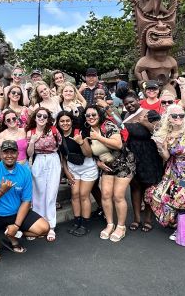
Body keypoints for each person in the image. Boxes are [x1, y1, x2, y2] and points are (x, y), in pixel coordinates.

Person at [0, 140, 50, 263]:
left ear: (18, 154)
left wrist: (16, 226)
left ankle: (11, 234)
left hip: (15, 212)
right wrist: (1, 191)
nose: (9, 155)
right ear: (1, 154)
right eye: (5, 152)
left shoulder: (25, 172)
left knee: (44, 228)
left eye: (12, 152)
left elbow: (26, 201)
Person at [145, 105, 185, 248]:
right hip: (174, 172)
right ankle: (182, 228)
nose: (179, 118)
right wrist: (161, 147)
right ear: (169, 118)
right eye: (175, 116)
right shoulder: (167, 134)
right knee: (170, 199)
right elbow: (167, 157)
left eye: (181, 115)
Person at [81, 105, 135, 242]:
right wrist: (97, 162)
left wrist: (98, 137)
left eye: (94, 114)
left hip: (124, 164)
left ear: (99, 115)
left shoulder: (108, 125)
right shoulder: (87, 131)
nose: (91, 117)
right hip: (107, 166)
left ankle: (121, 226)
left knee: (118, 195)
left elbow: (118, 144)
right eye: (88, 115)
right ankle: (110, 224)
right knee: (105, 195)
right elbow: (91, 152)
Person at [119, 89, 162, 232]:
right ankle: (137, 218)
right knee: (135, 186)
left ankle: (148, 219)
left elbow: (158, 131)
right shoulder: (125, 115)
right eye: (126, 104)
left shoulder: (150, 113)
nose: (129, 106)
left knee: (148, 186)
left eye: (131, 102)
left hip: (149, 154)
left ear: (138, 100)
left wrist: (145, 123)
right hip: (132, 154)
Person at [56, 111, 97, 236]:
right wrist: (67, 172)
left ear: (72, 121)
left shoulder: (78, 133)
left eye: (67, 120)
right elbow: (63, 157)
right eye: (62, 121)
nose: (65, 123)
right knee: (74, 195)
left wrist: (80, 142)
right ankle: (77, 220)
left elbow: (89, 154)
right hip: (73, 168)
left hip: (87, 167)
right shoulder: (58, 136)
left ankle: (85, 224)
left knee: (84, 195)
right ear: (58, 123)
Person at [26, 107, 61, 241]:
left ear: (48, 119)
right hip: (39, 160)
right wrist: (33, 141)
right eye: (39, 116)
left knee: (51, 192)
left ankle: (51, 226)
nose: (41, 118)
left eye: (45, 116)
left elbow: (59, 145)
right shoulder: (31, 133)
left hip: (53, 159)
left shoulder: (53, 130)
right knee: (38, 193)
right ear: (35, 118)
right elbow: (30, 153)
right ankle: (38, 225)